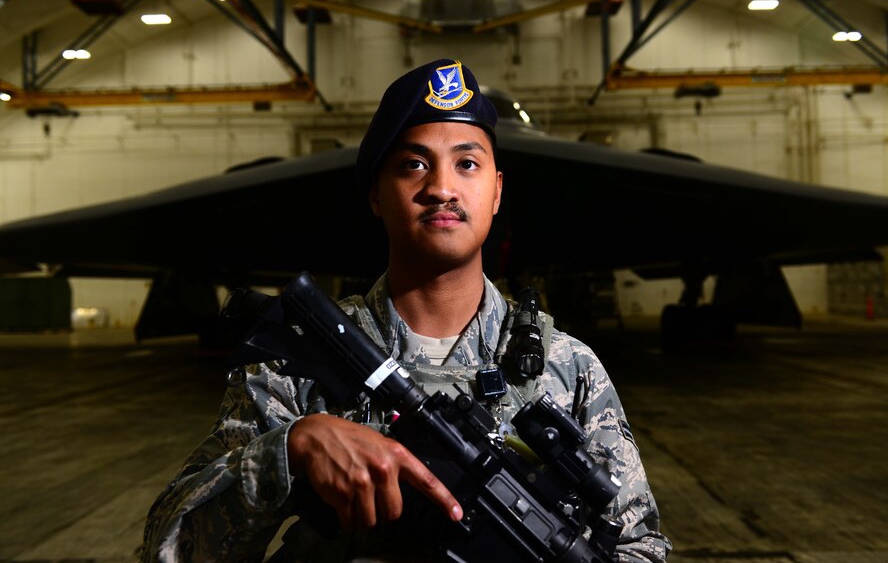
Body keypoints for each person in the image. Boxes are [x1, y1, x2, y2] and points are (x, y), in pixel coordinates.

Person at [139, 58, 672, 562]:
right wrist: (290, 450)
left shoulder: (567, 367)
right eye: (414, 165)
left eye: (467, 164)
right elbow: (170, 546)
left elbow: (639, 543)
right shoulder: (303, 364)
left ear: (496, 192)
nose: (441, 188)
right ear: (376, 194)